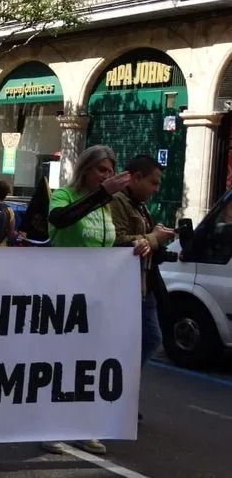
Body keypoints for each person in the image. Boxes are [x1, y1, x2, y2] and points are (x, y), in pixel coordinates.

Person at [41, 144, 132, 457]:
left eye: (109, 171)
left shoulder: (107, 205)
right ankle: (48, 427)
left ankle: (82, 427)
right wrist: (102, 194)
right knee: (58, 363)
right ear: (85, 169)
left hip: (97, 297)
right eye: (100, 170)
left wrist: (145, 245)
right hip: (63, 294)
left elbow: (110, 244)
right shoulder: (65, 195)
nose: (105, 175)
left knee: (88, 366)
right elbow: (61, 220)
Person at [109, 154, 174, 421]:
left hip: (144, 285)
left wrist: (157, 238)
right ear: (136, 178)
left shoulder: (141, 206)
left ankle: (121, 392)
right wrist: (152, 238)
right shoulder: (117, 203)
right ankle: (115, 395)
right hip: (123, 288)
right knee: (130, 342)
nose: (156, 189)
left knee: (151, 337)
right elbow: (117, 242)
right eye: (153, 182)